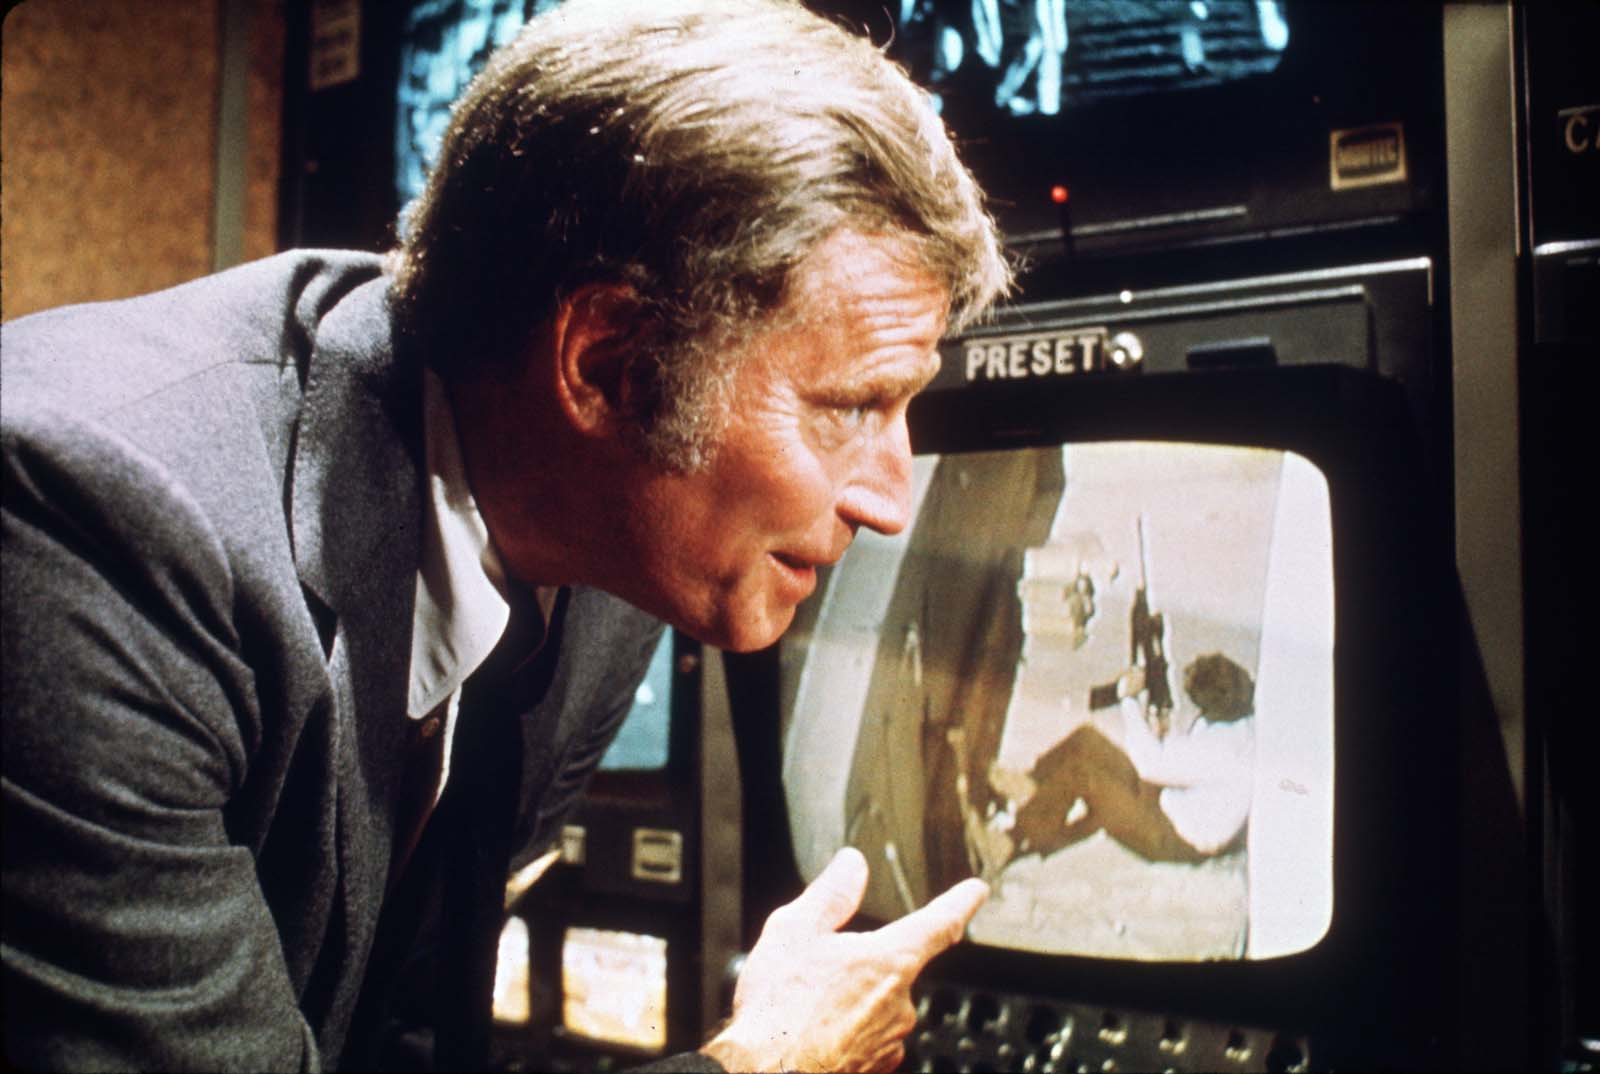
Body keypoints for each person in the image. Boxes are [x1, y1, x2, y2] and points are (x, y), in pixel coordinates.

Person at [0, 2, 1011, 1070]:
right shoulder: (87, 528)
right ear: (607, 364)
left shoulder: (611, 557)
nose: (890, 501)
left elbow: (402, 1029)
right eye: (849, 406)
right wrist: (766, 1062)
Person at [1007, 653, 1257, 865]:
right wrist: (1162, 733)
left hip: (1172, 837)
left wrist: (1129, 700)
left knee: (1083, 776)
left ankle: (1012, 840)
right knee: (1086, 740)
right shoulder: (1239, 719)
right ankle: (1026, 787)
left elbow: (1149, 764)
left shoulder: (1222, 749)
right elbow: (1186, 758)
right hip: (1169, 803)